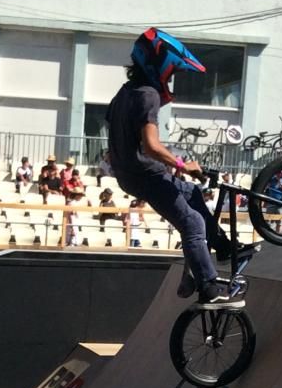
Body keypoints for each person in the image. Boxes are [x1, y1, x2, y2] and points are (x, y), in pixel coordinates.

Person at [107, 27, 252, 304]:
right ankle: (208, 287)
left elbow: (118, 138)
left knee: (192, 194)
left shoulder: (123, 94)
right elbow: (151, 145)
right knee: (193, 222)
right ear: (160, 66)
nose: (170, 81)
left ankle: (220, 248)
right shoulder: (148, 95)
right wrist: (184, 165)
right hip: (145, 175)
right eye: (171, 74)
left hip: (129, 174)